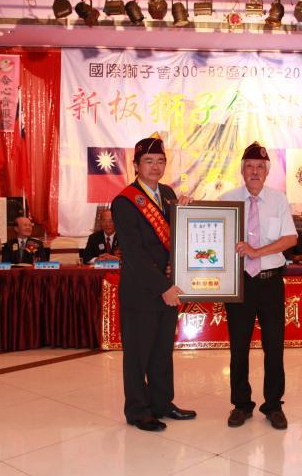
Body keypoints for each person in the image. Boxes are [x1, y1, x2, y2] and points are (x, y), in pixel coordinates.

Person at [111, 135, 195, 432]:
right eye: (148, 161)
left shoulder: (168, 194)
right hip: (142, 291)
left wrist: (186, 211)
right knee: (138, 355)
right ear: (135, 165)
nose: (155, 166)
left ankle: (161, 403)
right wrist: (164, 286)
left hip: (167, 289)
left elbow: (177, 238)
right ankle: (138, 410)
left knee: (161, 352)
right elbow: (133, 254)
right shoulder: (124, 201)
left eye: (160, 161)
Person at [220, 142, 297, 430]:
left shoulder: (278, 200)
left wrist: (256, 252)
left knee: (274, 346)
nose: (254, 172)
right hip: (239, 283)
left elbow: (290, 239)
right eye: (250, 166)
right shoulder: (227, 199)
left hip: (270, 282)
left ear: (267, 171)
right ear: (242, 170)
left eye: (260, 167)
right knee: (238, 347)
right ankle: (241, 404)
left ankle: (273, 405)